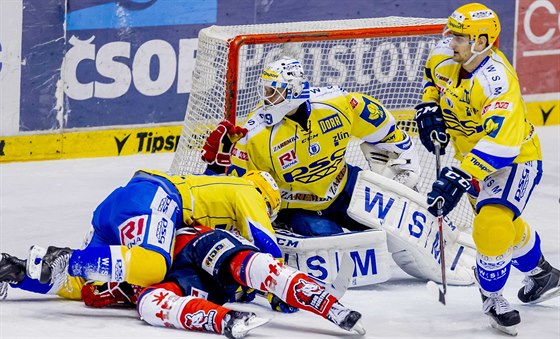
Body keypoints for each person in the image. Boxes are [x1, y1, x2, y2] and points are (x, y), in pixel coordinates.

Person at [414, 2, 560, 334]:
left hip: (514, 159)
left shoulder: (497, 82)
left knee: (490, 227)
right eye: (451, 34)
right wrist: (428, 105)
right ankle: (542, 274)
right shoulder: (449, 54)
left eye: (460, 37)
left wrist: (458, 175)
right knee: (502, 223)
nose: (451, 42)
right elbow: (432, 78)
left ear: (482, 42)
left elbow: (501, 143)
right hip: (472, 158)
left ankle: (492, 297)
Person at [202, 56, 420, 237]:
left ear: (294, 91)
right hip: (297, 207)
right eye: (265, 91)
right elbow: (235, 186)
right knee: (335, 244)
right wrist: (215, 166)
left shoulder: (337, 104)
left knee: (399, 226)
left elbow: (385, 127)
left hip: (344, 186)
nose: (266, 99)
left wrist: (407, 161)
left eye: (272, 92)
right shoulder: (255, 133)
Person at [0, 169, 283, 306]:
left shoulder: (223, 189)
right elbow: (267, 247)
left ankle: (16, 270)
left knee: (87, 285)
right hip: (157, 196)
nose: (265, 213)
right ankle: (67, 258)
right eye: (268, 209)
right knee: (153, 267)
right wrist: (278, 291)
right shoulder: (248, 191)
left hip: (121, 203)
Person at [136, 225, 365, 338]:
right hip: (178, 276)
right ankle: (225, 320)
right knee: (148, 305)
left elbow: (267, 261)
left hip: (195, 243)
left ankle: (330, 306)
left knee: (256, 267)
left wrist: (277, 291)